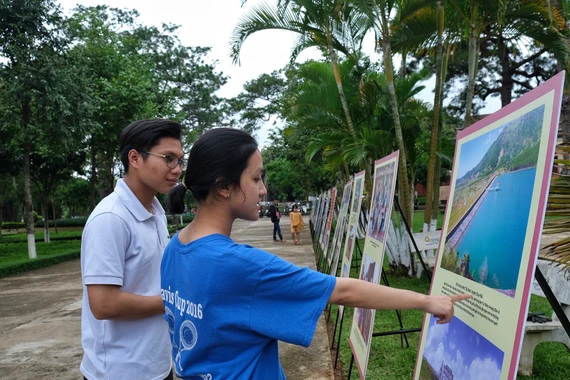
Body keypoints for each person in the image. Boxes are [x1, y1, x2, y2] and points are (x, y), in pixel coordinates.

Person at [161, 128, 470, 380]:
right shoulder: (240, 266)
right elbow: (344, 291)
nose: (264, 190)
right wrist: (427, 301)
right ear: (224, 187)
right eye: (256, 179)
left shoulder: (174, 248)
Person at [80, 119, 185, 380]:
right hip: (119, 371)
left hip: (156, 364)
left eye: (180, 161)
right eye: (168, 159)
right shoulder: (111, 218)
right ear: (135, 158)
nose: (177, 170)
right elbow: (103, 303)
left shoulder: (156, 212)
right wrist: (173, 302)